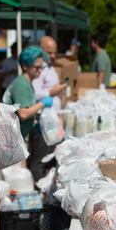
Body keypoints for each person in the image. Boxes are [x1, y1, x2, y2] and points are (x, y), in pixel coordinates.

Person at [30, 36, 67, 181]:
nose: (52, 56)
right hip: (43, 121)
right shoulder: (39, 70)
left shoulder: (50, 67)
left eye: (54, 52)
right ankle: (39, 193)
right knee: (41, 157)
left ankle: (47, 190)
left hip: (53, 120)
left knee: (53, 157)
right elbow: (34, 93)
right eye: (49, 52)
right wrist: (53, 91)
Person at [3, 46, 53, 141]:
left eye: (41, 67)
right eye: (37, 67)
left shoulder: (26, 82)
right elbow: (23, 114)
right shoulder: (21, 84)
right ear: (25, 66)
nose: (40, 70)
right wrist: (42, 103)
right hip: (13, 139)